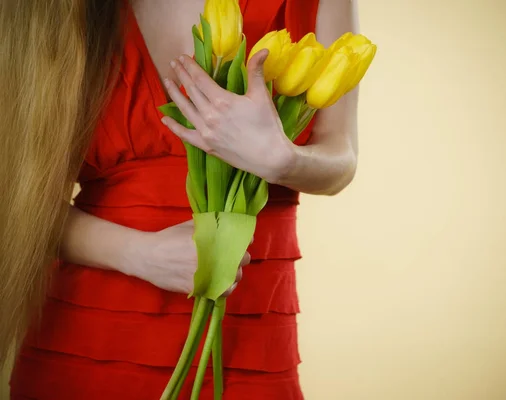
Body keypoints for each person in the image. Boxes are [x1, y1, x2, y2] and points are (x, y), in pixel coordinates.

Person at [0, 0, 359, 398]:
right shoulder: (49, 11)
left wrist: (282, 160)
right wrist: (138, 253)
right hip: (88, 342)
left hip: (249, 340)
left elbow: (340, 159)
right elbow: (15, 203)